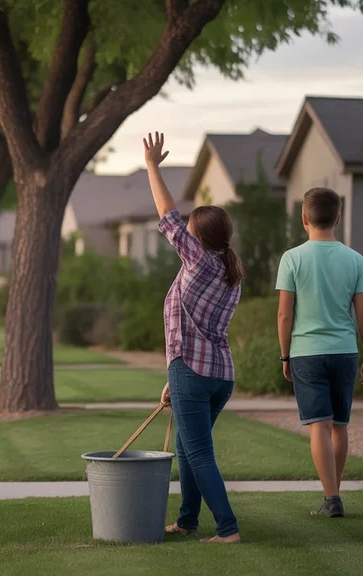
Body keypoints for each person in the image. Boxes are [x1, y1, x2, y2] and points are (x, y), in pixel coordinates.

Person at [143, 132, 243, 544]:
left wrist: (152, 165)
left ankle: (228, 528)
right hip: (217, 376)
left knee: (198, 453)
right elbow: (196, 328)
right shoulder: (230, 270)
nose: (182, 231)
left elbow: (166, 214)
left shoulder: (199, 261)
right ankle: (187, 520)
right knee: (187, 448)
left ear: (198, 237)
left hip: (195, 372)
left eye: (189, 229)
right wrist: (174, 377)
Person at [276, 187, 363, 518]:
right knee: (340, 424)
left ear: (304, 218)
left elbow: (284, 314)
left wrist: (285, 354)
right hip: (345, 351)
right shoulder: (355, 259)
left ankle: (331, 498)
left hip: (306, 352)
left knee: (318, 425)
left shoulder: (292, 258)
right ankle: (334, 494)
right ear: (338, 217)